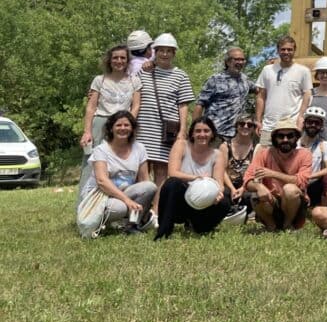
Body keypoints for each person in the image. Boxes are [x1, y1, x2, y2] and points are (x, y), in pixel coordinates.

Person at [78, 44, 142, 205]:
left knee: (121, 165)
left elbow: (136, 106)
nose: (119, 61)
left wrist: (128, 122)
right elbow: (91, 106)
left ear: (127, 61)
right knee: (91, 165)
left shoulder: (134, 81)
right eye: (115, 58)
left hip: (123, 126)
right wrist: (87, 131)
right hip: (101, 123)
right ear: (109, 60)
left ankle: (121, 207)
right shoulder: (99, 80)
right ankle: (85, 206)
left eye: (122, 58)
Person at [135, 33, 194, 204]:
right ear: (155, 52)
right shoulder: (143, 73)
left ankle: (156, 211)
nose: (165, 54)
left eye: (169, 51)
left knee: (162, 171)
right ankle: (141, 211)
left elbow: (183, 105)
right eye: (161, 50)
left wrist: (182, 131)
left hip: (166, 131)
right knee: (142, 171)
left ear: (174, 53)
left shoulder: (180, 75)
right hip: (143, 128)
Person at [77, 110, 157, 234]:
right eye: (118, 125)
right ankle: (101, 222)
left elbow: (144, 180)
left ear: (132, 128)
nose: (123, 128)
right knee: (120, 208)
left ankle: (132, 225)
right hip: (101, 195)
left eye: (126, 125)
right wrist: (128, 201)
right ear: (111, 129)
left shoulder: (139, 148)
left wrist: (145, 204)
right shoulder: (101, 150)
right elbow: (102, 181)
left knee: (150, 186)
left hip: (124, 192)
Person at [155, 118, 229, 240]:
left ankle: (200, 227)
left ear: (212, 134)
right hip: (181, 199)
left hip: (203, 201)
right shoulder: (181, 145)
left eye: (206, 131)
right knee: (172, 183)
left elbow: (219, 183)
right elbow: (172, 172)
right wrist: (196, 178)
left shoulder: (217, 154)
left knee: (225, 198)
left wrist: (218, 194)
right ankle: (164, 230)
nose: (202, 134)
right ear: (192, 133)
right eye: (198, 131)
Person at [243, 118, 313, 231]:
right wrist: (259, 186)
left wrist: (273, 174)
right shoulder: (263, 154)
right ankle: (271, 227)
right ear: (275, 138)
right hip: (272, 201)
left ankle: (287, 225)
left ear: (296, 138)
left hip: (294, 204)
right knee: (255, 194)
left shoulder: (305, 154)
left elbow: (301, 181)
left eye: (290, 136)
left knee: (290, 189)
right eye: (281, 136)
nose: (285, 140)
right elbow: (247, 179)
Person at [254, 36, 312, 146]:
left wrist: (301, 118)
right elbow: (261, 96)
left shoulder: (303, 71)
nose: (286, 52)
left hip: (291, 126)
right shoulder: (267, 70)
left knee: (290, 161)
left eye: (289, 49)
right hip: (268, 126)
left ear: (294, 51)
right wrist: (258, 121)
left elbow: (307, 96)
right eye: (283, 49)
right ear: (278, 50)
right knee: (266, 159)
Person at [193, 47, 254, 141]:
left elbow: (260, 90)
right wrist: (194, 130)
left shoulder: (245, 80)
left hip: (236, 135)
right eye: (237, 59)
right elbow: (200, 104)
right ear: (228, 62)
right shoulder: (215, 79)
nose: (240, 62)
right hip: (214, 133)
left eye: (242, 59)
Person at [299, 106, 327, 207]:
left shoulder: (325, 145)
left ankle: (324, 208)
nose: (313, 125)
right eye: (310, 122)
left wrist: (309, 176)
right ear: (304, 123)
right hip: (295, 182)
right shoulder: (295, 144)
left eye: (317, 123)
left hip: (313, 184)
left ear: (322, 126)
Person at [224, 113, 258, 215]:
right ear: (236, 126)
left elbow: (256, 172)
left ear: (253, 128)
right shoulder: (226, 145)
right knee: (223, 193)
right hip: (229, 184)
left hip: (248, 185)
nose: (245, 126)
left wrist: (243, 188)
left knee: (252, 195)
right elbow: (222, 170)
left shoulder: (257, 147)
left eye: (250, 125)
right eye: (242, 124)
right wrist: (232, 189)